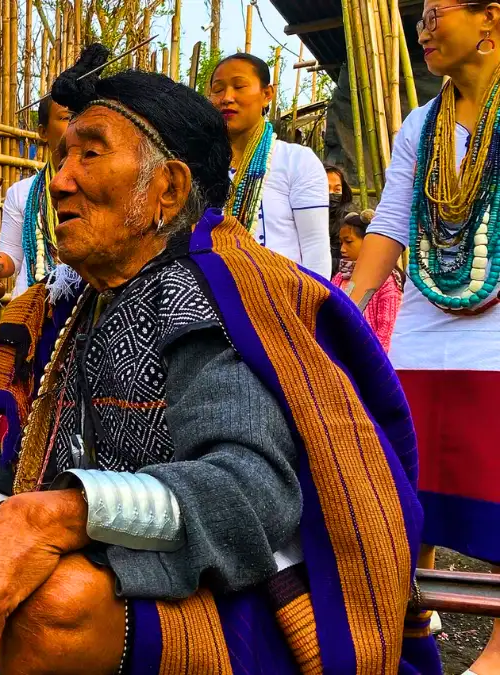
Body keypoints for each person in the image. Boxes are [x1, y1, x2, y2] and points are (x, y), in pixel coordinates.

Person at [0, 46, 436, 675]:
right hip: (118, 557)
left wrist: (66, 514)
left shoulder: (205, 295)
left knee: (56, 603)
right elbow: (36, 473)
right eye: (63, 154)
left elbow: (250, 492)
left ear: (166, 190)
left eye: (89, 154)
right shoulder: (90, 303)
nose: (60, 178)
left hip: (230, 596)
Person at [348, 2, 500, 672]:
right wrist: (347, 306)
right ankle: (408, 630)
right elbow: (389, 223)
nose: (424, 28)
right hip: (423, 326)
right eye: (420, 18)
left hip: (495, 335)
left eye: (436, 12)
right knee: (403, 483)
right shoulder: (420, 124)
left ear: (489, 19)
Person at [209, 53, 332, 277]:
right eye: (218, 90)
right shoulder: (199, 164)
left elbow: (315, 246)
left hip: (284, 299)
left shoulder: (296, 161)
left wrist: (315, 307)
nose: (227, 97)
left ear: (266, 94)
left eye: (239, 86)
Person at [0, 92, 72, 297]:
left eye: (79, 116)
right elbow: (10, 260)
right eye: (66, 118)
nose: (74, 124)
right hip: (29, 308)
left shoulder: (102, 190)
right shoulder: (22, 193)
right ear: (43, 131)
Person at [334, 210, 402, 351]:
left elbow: (386, 330)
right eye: (341, 242)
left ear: (368, 242)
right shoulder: (339, 278)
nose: (342, 249)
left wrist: (374, 362)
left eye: (349, 242)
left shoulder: (386, 281)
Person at [326, 163, 354, 270]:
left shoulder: (349, 223)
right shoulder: (299, 222)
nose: (332, 194)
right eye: (326, 188)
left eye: (337, 190)